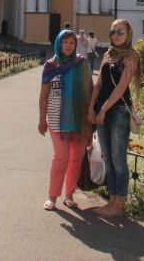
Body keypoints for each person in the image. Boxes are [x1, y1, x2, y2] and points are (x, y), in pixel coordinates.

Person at [86, 19, 141, 217]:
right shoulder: (109, 54)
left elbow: (121, 88)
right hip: (102, 109)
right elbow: (99, 83)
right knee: (107, 156)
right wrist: (92, 107)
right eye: (113, 31)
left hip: (118, 111)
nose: (116, 35)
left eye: (120, 31)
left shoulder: (131, 56)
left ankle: (119, 203)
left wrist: (103, 110)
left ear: (128, 34)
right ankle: (111, 201)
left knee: (118, 158)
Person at [38, 29, 93, 211]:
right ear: (59, 43)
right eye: (65, 42)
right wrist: (41, 120)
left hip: (79, 119)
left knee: (76, 157)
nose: (69, 46)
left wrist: (90, 119)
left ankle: (69, 195)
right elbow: (44, 95)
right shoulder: (51, 65)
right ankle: (52, 196)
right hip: (56, 119)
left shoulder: (82, 63)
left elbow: (89, 92)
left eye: (72, 43)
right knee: (62, 157)